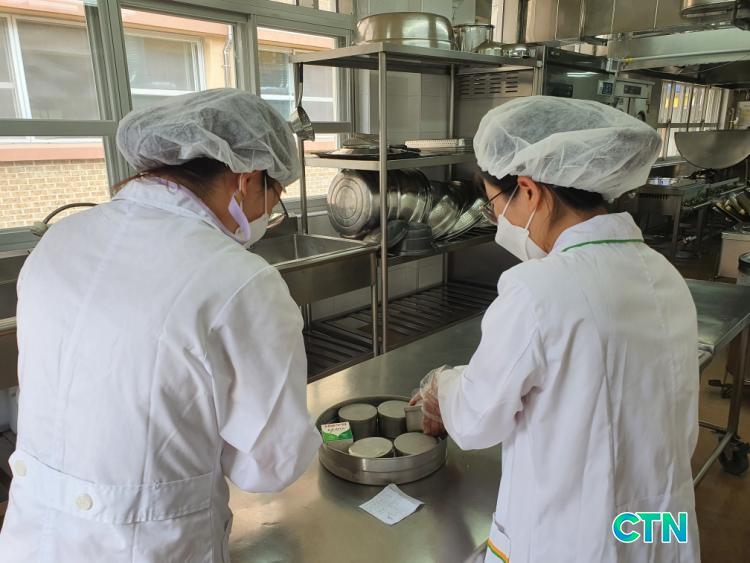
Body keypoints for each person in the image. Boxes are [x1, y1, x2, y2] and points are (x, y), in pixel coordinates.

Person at [0, 89, 321, 562]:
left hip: (32, 538)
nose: (267, 214)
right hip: (152, 544)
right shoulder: (239, 280)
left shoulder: (59, 241)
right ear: (247, 179)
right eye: (275, 196)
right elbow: (270, 466)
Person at [414, 96, 700, 563]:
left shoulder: (538, 289)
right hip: (658, 523)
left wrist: (440, 386)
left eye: (494, 205)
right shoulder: (661, 272)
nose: (498, 220)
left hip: (577, 538)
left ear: (529, 191)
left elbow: (476, 419)